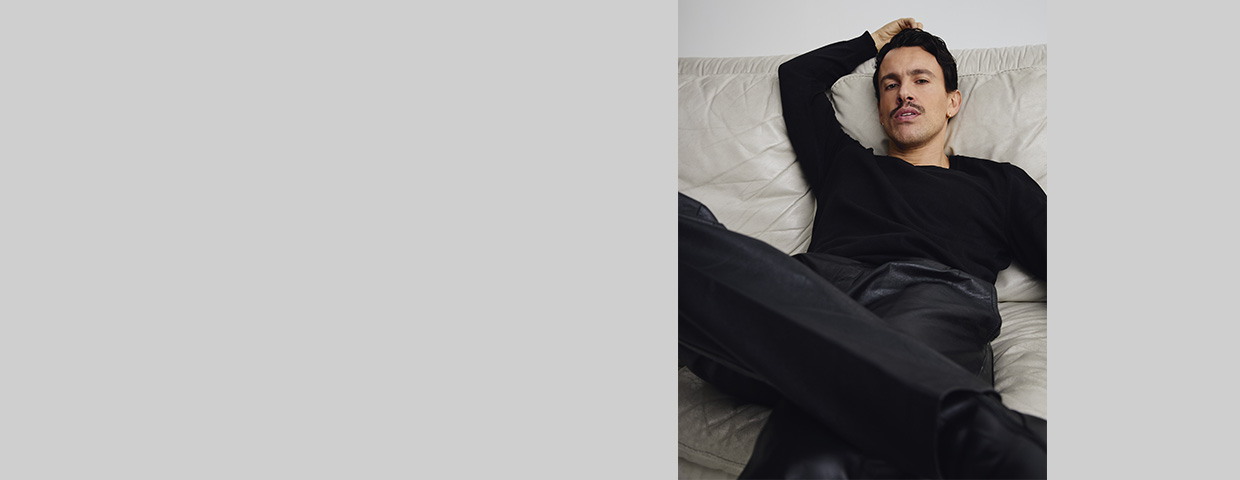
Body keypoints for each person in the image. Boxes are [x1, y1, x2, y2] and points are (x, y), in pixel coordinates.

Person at [678, 18, 1047, 479]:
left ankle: (977, 429)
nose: (904, 93)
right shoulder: (843, 162)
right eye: (890, 84)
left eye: (920, 80)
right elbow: (798, 78)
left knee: (825, 417)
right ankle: (986, 431)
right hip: (817, 294)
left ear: (952, 101)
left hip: (929, 295)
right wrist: (871, 42)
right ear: (879, 109)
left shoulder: (999, 183)